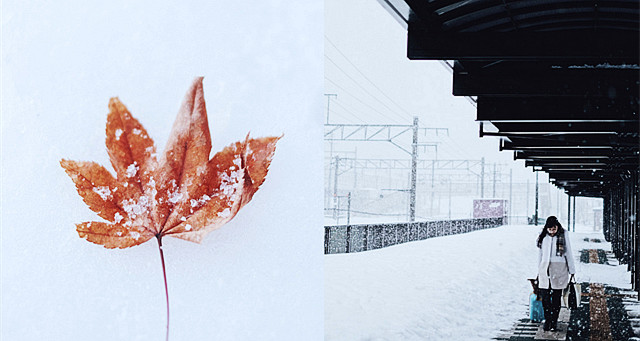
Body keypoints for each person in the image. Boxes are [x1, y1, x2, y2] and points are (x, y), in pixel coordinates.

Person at [536, 215, 575, 331]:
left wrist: (572, 271)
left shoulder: (563, 235)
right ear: (546, 228)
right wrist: (539, 270)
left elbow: (569, 253)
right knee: (545, 298)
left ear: (557, 227)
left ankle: (554, 321)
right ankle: (547, 320)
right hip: (545, 269)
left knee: (556, 298)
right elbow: (540, 255)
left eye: (554, 229)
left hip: (560, 269)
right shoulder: (543, 237)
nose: (552, 232)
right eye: (550, 229)